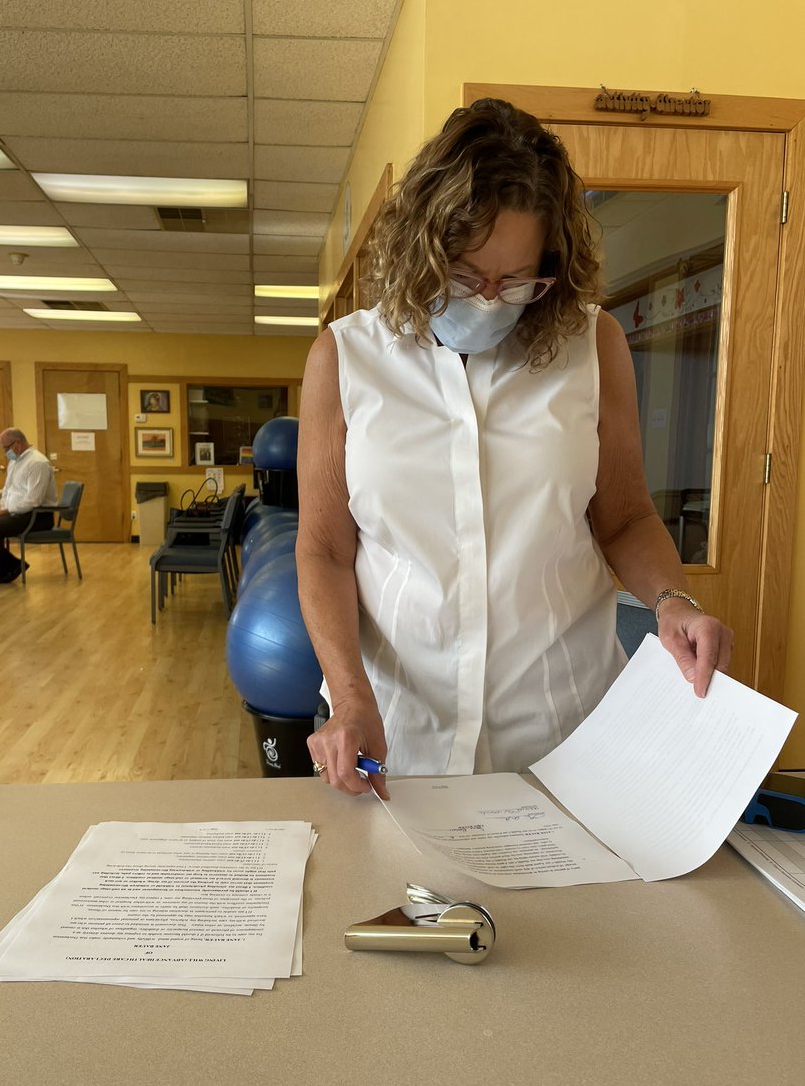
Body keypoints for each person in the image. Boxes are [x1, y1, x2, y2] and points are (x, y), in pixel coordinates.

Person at [296, 98, 733, 800]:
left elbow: (624, 517)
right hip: (396, 730)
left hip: (564, 728)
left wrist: (673, 601)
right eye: (467, 275)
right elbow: (323, 548)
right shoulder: (345, 358)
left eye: (519, 280)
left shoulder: (592, 346)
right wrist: (350, 698)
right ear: (422, 246)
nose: (491, 299)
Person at [0, 428, 57, 584]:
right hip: (16, 514)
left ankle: (3, 568)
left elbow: (34, 500)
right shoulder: (14, 463)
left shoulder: (37, 463)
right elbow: (7, 490)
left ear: (18, 443)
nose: (5, 452)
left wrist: (9, 511)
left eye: (6, 447)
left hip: (37, 516)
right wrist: (3, 509)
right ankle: (11, 564)